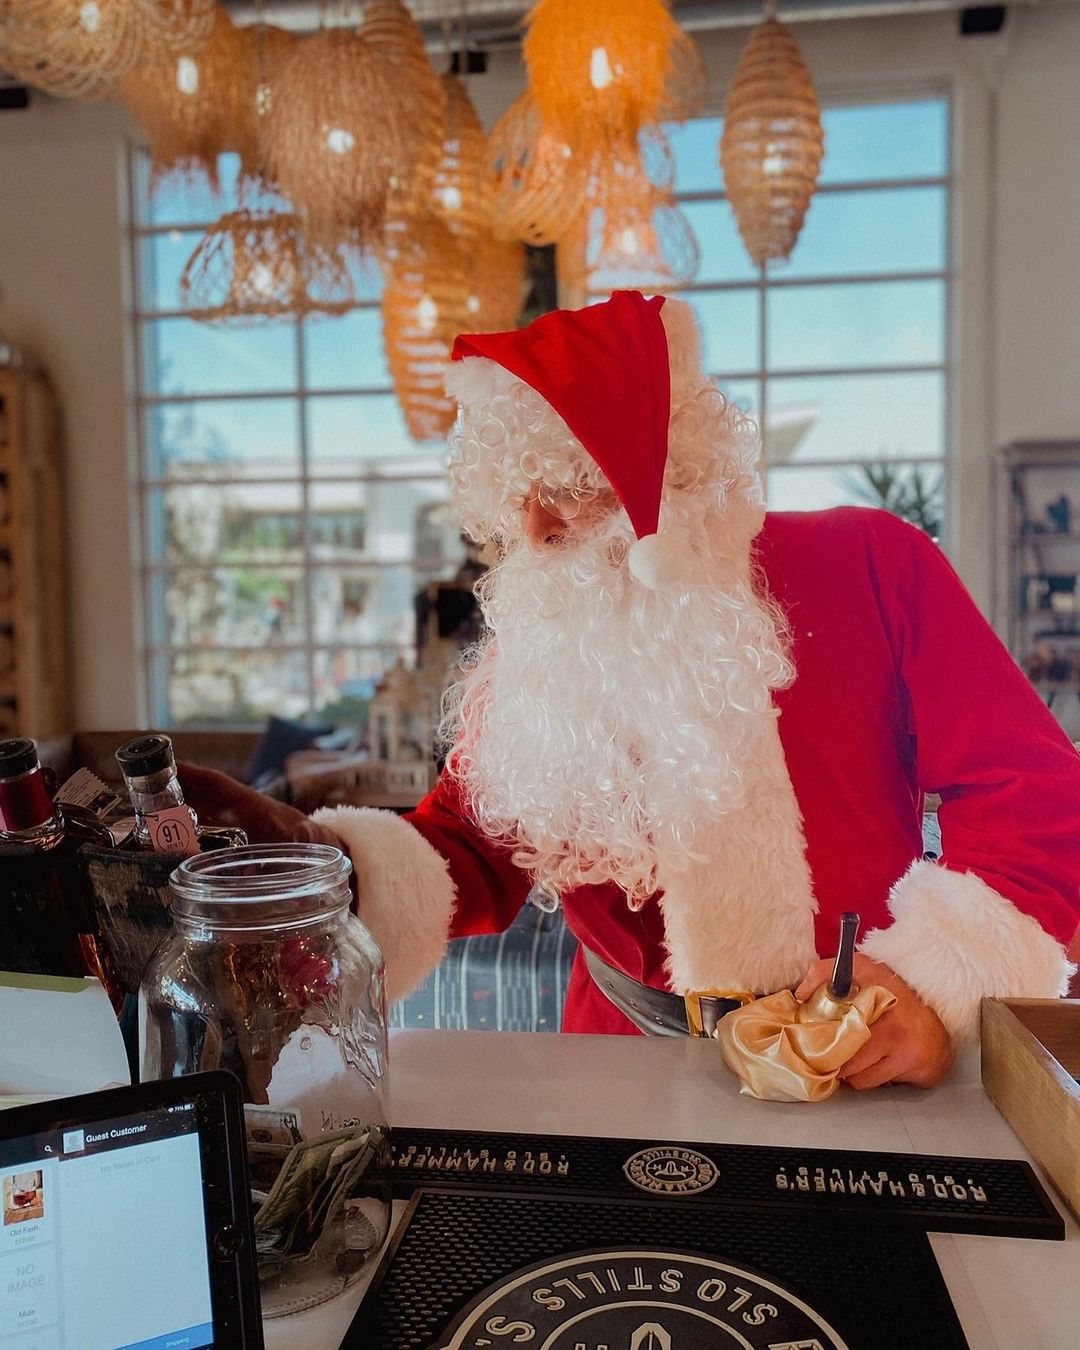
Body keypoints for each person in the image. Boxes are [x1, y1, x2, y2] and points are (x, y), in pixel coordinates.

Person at [184, 291, 1080, 1090]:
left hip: (853, 1055)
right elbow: (472, 846)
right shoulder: (552, 630)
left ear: (674, 466)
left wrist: (930, 984)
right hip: (614, 1064)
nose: (535, 528)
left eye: (569, 486)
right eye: (514, 495)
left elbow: (1034, 796)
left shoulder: (868, 563)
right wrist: (316, 870)